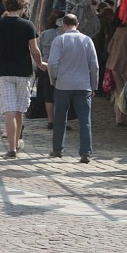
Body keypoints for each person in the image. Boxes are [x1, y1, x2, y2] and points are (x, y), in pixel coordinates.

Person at [0, 0, 45, 159]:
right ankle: (17, 142)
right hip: (23, 72)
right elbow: (34, 50)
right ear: (22, 7)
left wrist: (0, 52)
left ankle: (11, 149)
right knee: (19, 110)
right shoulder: (28, 25)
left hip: (4, 72)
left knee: (9, 110)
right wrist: (40, 64)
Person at [47, 14, 99, 164]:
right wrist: (94, 85)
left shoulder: (59, 40)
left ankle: (57, 149)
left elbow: (52, 63)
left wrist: (53, 78)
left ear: (63, 25)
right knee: (85, 120)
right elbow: (94, 65)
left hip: (63, 84)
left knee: (60, 118)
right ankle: (85, 152)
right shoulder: (87, 40)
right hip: (83, 85)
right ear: (78, 24)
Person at [37, 11, 64, 130]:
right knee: (61, 94)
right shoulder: (64, 35)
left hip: (45, 65)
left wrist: (38, 65)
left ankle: (51, 121)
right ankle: (60, 120)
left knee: (48, 94)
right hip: (61, 67)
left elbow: (39, 50)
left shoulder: (45, 33)